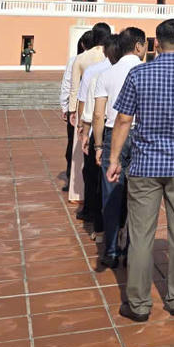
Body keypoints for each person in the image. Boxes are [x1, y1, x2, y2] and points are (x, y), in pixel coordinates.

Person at [107, 18, 174, 322]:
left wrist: (114, 158)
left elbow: (124, 120)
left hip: (145, 164)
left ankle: (139, 304)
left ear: (155, 42)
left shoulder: (139, 73)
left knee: (141, 235)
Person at [91, 26, 146, 268]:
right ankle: (133, 247)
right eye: (145, 45)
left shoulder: (106, 74)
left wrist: (98, 145)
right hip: (141, 134)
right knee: (141, 195)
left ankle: (111, 250)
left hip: (113, 134)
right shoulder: (146, 72)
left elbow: (98, 114)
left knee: (111, 194)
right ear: (138, 46)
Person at [67, 22, 112, 203]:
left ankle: (80, 195)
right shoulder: (113, 57)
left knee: (83, 159)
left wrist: (72, 113)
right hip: (107, 114)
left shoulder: (82, 58)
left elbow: (75, 89)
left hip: (86, 111)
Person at [76, 38, 114, 229]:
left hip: (99, 131)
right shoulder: (134, 73)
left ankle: (93, 215)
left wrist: (84, 131)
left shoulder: (95, 72)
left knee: (93, 176)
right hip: (121, 132)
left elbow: (89, 108)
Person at [59, 32, 90, 193]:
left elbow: (68, 86)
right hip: (91, 111)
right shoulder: (107, 60)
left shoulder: (76, 60)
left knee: (73, 145)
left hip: (77, 110)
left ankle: (73, 182)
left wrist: (66, 108)